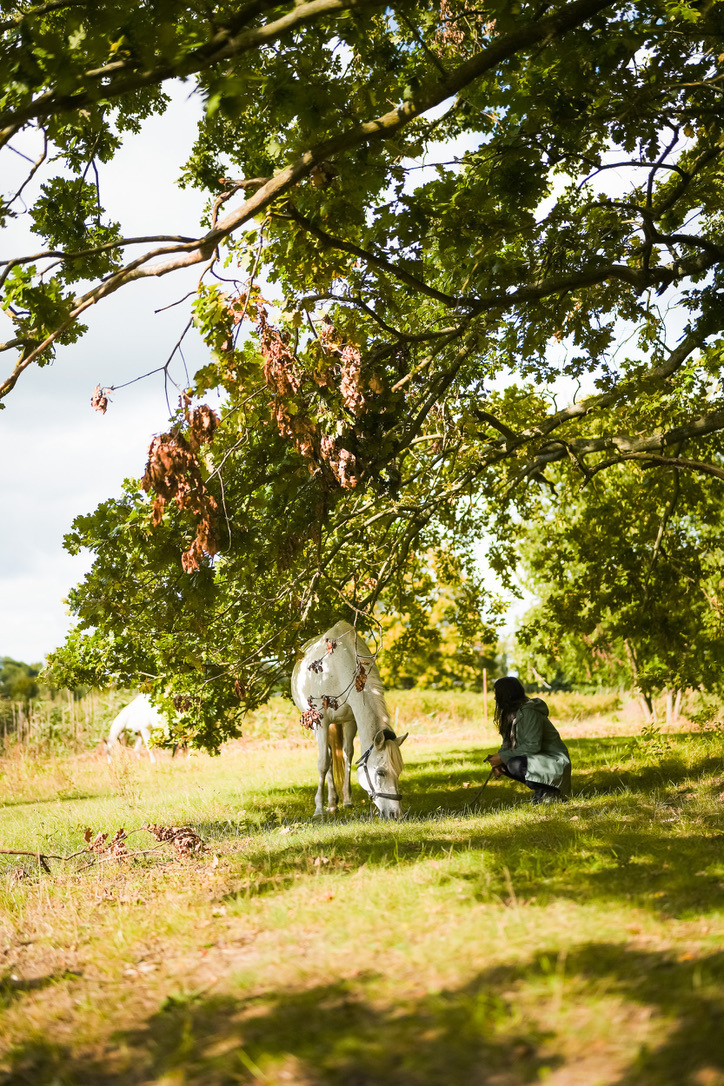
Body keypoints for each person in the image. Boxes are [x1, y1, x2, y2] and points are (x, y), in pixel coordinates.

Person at [486, 676, 571, 804]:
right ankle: (542, 791)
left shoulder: (529, 712)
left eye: (497, 694)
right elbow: (507, 745)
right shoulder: (510, 715)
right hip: (538, 760)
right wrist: (497, 762)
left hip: (553, 761)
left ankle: (550, 792)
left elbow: (533, 746)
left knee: (514, 764)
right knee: (506, 762)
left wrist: (502, 757)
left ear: (507, 695)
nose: (495, 698)